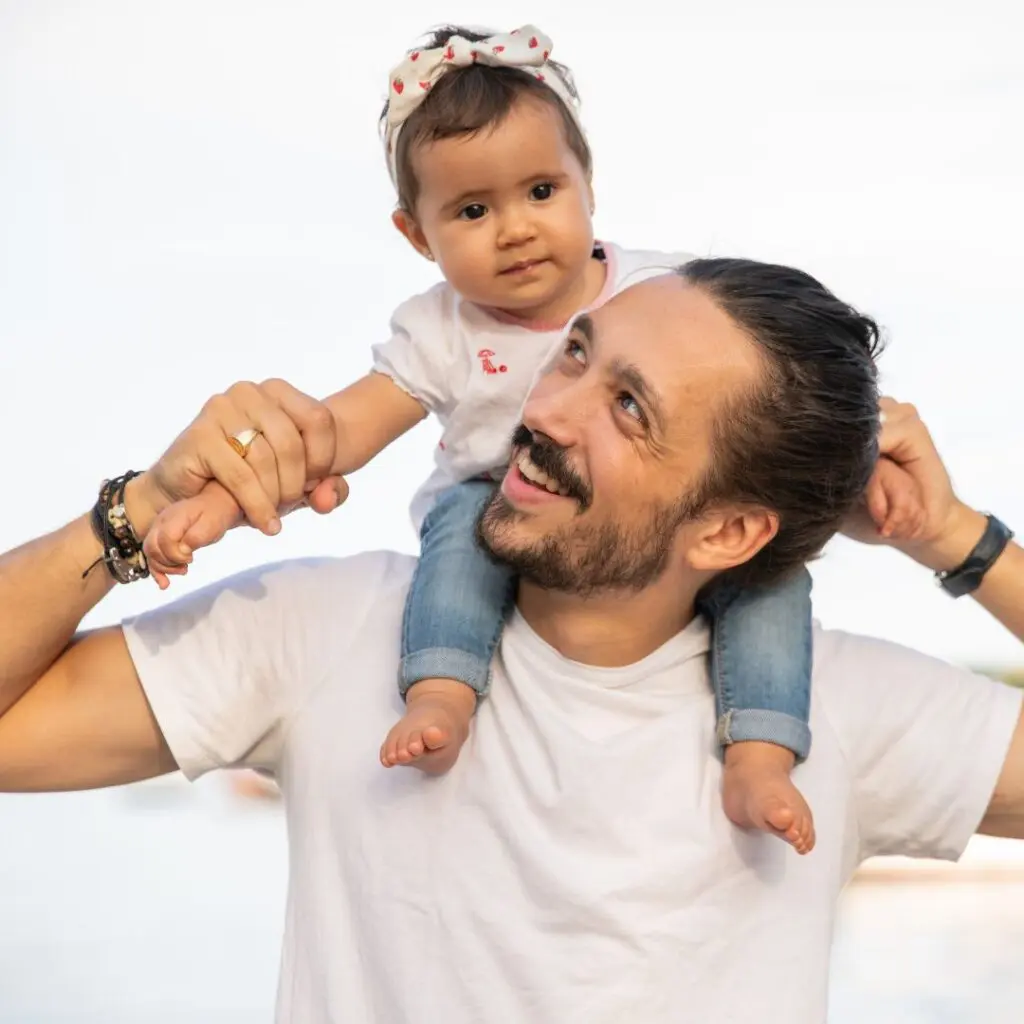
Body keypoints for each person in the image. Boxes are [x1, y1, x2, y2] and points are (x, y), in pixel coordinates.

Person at [1, 259, 1022, 1023]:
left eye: (628, 408)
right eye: (574, 351)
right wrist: (133, 514)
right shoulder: (329, 630)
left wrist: (959, 542)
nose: (546, 411)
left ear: (727, 531)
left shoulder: (833, 713)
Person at [139, 23, 821, 852]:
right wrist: (219, 499)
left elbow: (763, 392)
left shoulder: (655, 290)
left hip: (649, 524)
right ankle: (442, 692)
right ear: (417, 235)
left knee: (772, 582)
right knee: (457, 541)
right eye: (472, 210)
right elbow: (343, 429)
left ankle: (760, 751)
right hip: (493, 502)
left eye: (542, 191)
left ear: (589, 185)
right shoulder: (440, 332)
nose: (516, 229)